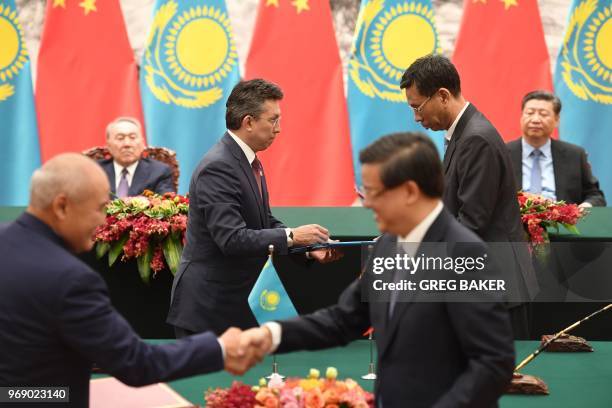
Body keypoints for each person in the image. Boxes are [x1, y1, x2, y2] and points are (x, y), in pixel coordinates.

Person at [241, 133, 515, 408]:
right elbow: (344, 319)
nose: (367, 203)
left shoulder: (464, 253)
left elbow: (493, 363)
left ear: (409, 192)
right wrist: (271, 335)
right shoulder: (387, 245)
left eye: (373, 192)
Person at [0, 154, 263, 407]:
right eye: (100, 208)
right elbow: (137, 363)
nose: (103, 220)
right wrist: (218, 347)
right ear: (61, 206)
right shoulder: (70, 279)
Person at [167, 79, 340, 338]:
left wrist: (308, 248)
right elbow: (232, 238)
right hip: (208, 311)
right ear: (248, 122)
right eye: (273, 120)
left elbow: (264, 221)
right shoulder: (219, 166)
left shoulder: (249, 161)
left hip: (235, 308)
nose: (279, 129)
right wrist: (292, 236)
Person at [400, 54, 538, 338]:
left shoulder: (476, 139)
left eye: (417, 107)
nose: (416, 118)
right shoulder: (462, 133)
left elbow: (471, 223)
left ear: (442, 95)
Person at [507, 90, 606, 207]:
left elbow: (595, 196)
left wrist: (585, 207)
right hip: (515, 223)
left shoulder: (575, 155)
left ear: (557, 120)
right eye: (529, 113)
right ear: (521, 116)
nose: (535, 120)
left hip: (561, 223)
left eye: (543, 114)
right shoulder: (503, 153)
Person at [98, 117, 174, 197]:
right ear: (108, 145)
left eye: (132, 137)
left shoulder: (159, 172)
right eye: (120, 138)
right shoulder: (96, 171)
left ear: (142, 143)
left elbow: (167, 203)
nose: (127, 144)